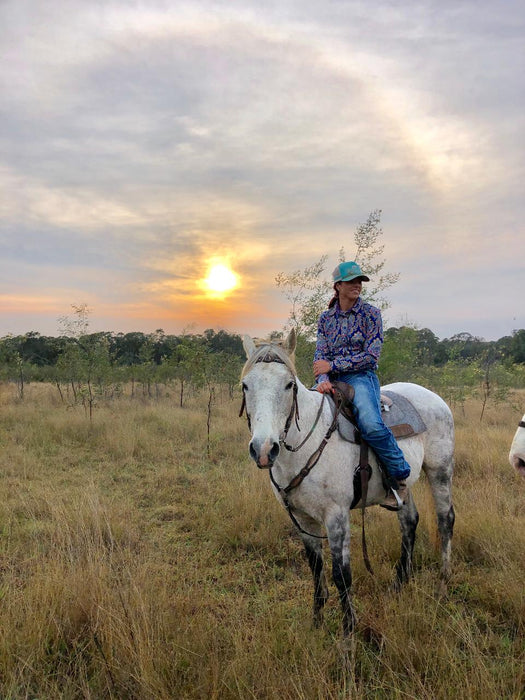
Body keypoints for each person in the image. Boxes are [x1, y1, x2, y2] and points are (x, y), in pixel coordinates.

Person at [313, 260, 410, 509]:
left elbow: (370, 356)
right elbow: (319, 357)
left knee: (371, 425)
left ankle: (399, 477)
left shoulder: (371, 314)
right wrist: (323, 380)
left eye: (360, 281)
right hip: (332, 380)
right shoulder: (325, 319)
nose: (357, 285)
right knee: (305, 417)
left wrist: (332, 368)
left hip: (361, 377)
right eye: (352, 281)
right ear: (338, 286)